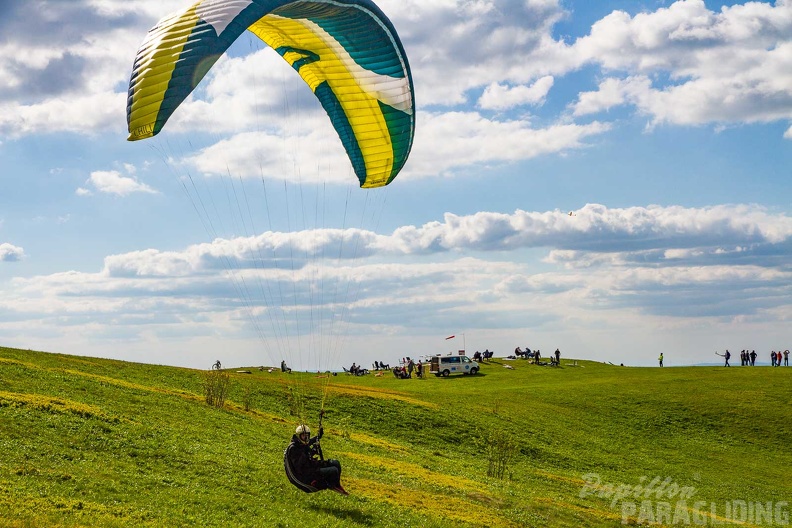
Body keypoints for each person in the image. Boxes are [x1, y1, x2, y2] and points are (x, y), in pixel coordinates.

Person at [284, 423, 347, 495]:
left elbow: (309, 443)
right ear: (298, 436)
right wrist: (312, 452)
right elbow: (302, 466)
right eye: (304, 436)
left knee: (336, 463)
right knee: (334, 470)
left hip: (310, 467)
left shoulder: (301, 443)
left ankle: (336, 485)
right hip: (305, 475)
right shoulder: (294, 449)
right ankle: (330, 484)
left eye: (307, 436)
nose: (306, 438)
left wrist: (318, 436)